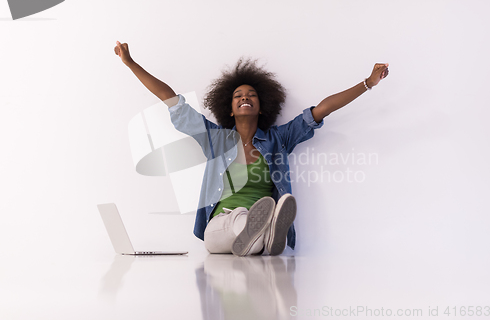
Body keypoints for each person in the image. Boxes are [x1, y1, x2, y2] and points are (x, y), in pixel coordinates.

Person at [114, 41, 388, 256]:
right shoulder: (214, 138)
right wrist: (130, 63)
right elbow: (170, 99)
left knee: (249, 240)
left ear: (261, 105)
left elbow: (321, 110)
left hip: (249, 235)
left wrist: (368, 83)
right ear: (230, 109)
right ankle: (266, 231)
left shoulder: (278, 139)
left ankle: (262, 234)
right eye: (238, 96)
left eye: (251, 95)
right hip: (220, 227)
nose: (245, 97)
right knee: (240, 223)